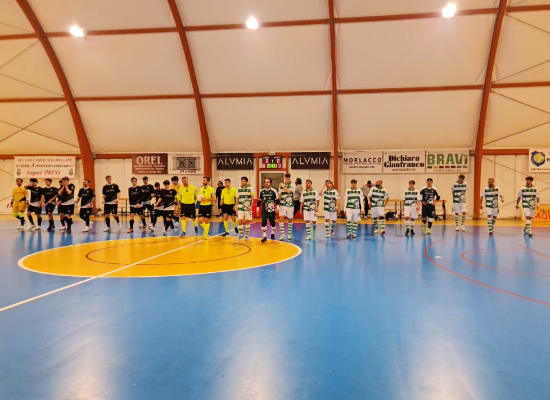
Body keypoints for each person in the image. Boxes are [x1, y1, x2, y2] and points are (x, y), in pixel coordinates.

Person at [257, 177, 278, 242]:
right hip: (264, 210)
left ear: (270, 183)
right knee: (263, 222)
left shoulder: (274, 191)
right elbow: (259, 201)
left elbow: (277, 200)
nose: (266, 183)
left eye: (268, 182)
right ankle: (264, 237)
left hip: (272, 210)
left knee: (272, 223)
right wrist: (257, 209)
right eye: (265, 182)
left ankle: (272, 233)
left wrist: (277, 208)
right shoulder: (261, 191)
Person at [279, 173, 296, 241]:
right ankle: (282, 235)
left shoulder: (292, 185)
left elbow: (289, 191)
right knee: (281, 219)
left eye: (289, 179)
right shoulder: (280, 186)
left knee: (290, 220)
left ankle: (289, 234)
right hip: (282, 205)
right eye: (286, 179)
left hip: (290, 205)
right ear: (284, 179)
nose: (288, 180)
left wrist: (283, 187)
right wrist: (277, 205)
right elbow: (279, 195)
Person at [236, 176, 254, 241]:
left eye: (243, 181)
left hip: (247, 207)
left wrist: (251, 206)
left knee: (247, 221)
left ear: (246, 182)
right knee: (239, 220)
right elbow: (237, 198)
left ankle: (246, 235)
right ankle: (241, 235)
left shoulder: (250, 188)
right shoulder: (238, 188)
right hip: (240, 207)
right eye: (241, 181)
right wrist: (236, 205)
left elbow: (252, 198)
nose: (242, 182)